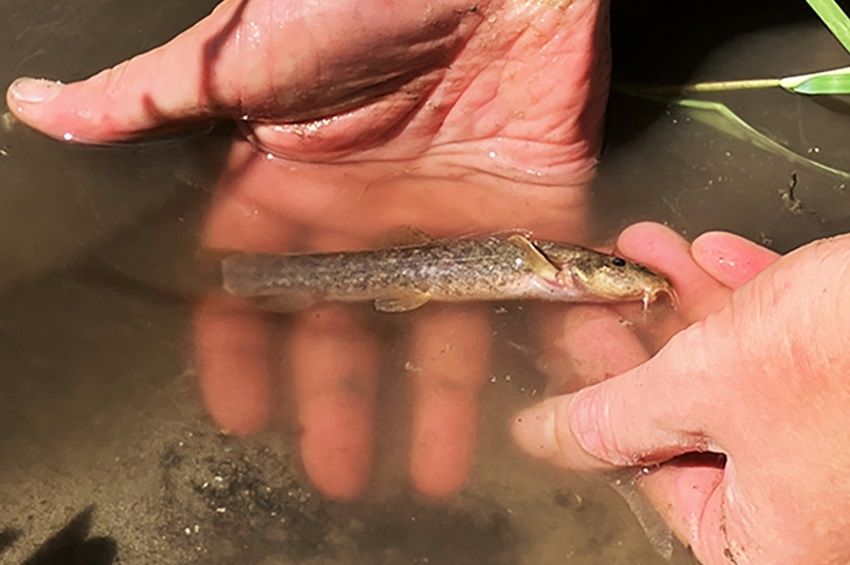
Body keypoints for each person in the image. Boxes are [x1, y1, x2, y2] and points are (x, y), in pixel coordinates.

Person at [6, 1, 850, 562]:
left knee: (295, 290)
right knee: (285, 285)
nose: (627, 277)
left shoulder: (546, 266)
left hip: (364, 266)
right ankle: (199, 281)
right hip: (336, 266)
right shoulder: (543, 260)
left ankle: (197, 281)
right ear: (584, 269)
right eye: (618, 271)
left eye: (622, 271)